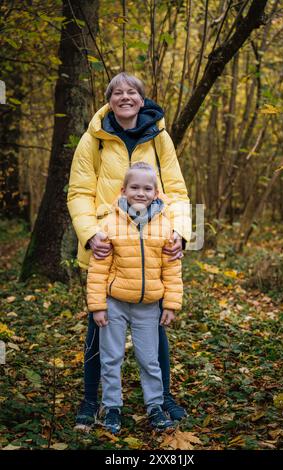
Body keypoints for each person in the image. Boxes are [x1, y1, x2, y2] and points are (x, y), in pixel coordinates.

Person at [67, 72, 191, 431]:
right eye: (117, 92)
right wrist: (91, 235)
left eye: (131, 92)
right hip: (107, 247)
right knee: (98, 323)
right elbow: (78, 192)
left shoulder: (159, 136)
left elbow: (177, 191)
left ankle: (162, 399)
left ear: (141, 98)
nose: (125, 97)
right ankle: (92, 402)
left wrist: (180, 234)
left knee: (155, 329)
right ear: (109, 100)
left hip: (153, 246)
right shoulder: (95, 139)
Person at [87, 162, 183, 433]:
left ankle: (155, 405)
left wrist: (171, 303)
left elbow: (172, 269)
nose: (141, 192)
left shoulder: (166, 226)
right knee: (111, 357)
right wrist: (97, 306)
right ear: (123, 190)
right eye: (135, 187)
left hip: (149, 305)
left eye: (147, 188)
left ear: (156, 192)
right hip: (114, 302)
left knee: (149, 358)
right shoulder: (109, 222)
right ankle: (112, 407)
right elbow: (98, 269)